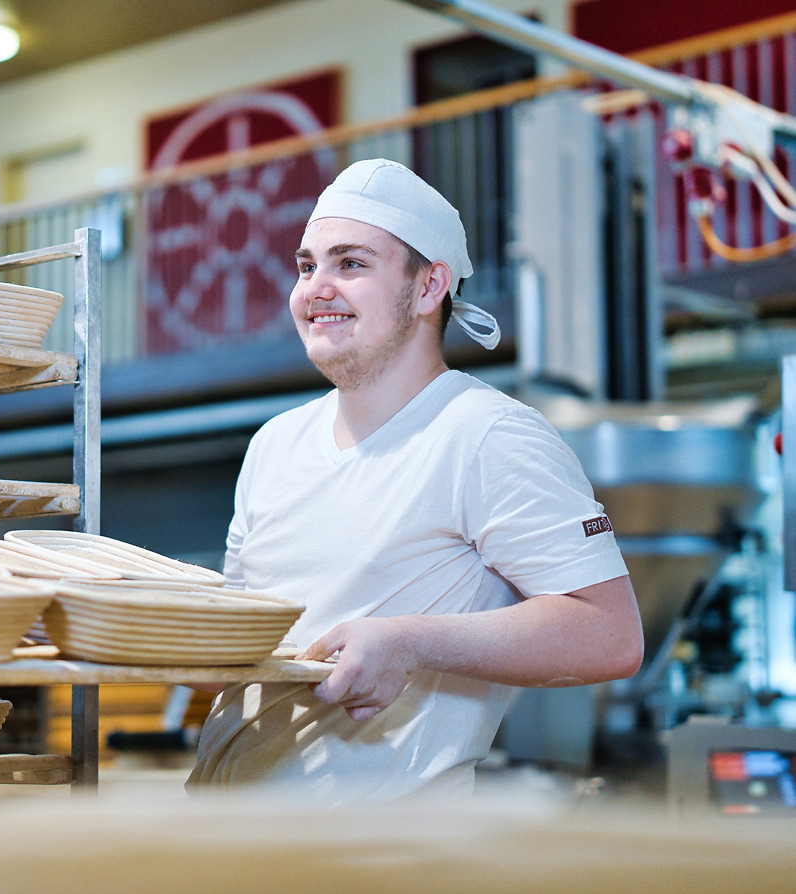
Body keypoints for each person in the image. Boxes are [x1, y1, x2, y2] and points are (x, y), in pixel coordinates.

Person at [186, 158, 643, 806]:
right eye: (307, 265)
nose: (316, 288)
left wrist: (410, 641)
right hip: (226, 851)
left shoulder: (487, 435)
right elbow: (237, 641)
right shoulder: (273, 445)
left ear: (430, 288)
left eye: (350, 264)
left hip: (382, 866)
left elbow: (612, 635)